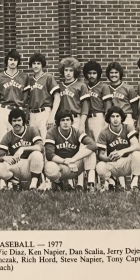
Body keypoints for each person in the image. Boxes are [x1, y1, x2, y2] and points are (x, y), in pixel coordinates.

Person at [0, 50, 30, 190]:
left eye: (15, 60)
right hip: (3, 109)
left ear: (18, 62)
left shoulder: (24, 77)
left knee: (17, 142)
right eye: (10, 60)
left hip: (18, 110)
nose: (12, 62)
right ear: (6, 61)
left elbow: (26, 96)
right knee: (2, 142)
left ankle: (15, 177)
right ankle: (3, 180)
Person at [58, 57, 91, 189]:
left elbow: (85, 105)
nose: (68, 73)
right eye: (66, 70)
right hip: (63, 120)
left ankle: (80, 182)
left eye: (71, 70)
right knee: (66, 148)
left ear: (75, 71)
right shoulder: (59, 86)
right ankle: (69, 181)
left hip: (76, 119)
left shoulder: (81, 85)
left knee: (79, 149)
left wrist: (82, 122)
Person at [44, 110, 97, 192]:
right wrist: (65, 161)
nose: (65, 123)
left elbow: (93, 145)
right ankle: (58, 183)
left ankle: (90, 185)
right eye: (63, 120)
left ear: (72, 122)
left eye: (68, 120)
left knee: (91, 153)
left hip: (75, 165)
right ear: (58, 122)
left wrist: (73, 159)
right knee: (49, 167)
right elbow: (49, 154)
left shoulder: (76, 132)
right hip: (60, 165)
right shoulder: (52, 132)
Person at [0, 108, 45, 191]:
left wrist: (23, 148)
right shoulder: (8, 135)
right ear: (11, 122)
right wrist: (5, 157)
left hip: (30, 166)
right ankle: (15, 182)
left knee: (37, 154)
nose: (17, 123)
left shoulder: (32, 130)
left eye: (19, 120)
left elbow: (41, 147)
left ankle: (33, 186)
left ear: (23, 121)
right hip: (16, 165)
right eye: (14, 121)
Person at [96, 106, 140, 192]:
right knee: (100, 166)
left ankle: (134, 184)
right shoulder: (104, 132)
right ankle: (112, 180)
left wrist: (122, 152)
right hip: (113, 163)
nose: (115, 119)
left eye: (118, 116)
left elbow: (137, 146)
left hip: (126, 162)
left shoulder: (128, 127)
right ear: (109, 119)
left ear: (121, 118)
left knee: (137, 154)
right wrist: (108, 158)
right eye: (113, 116)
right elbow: (100, 155)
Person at [27, 52, 61, 141]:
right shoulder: (30, 80)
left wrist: (52, 116)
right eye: (34, 63)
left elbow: (57, 97)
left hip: (44, 112)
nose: (36, 66)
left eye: (38, 63)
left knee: (46, 141)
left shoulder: (48, 77)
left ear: (42, 65)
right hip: (32, 114)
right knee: (34, 141)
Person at [83, 60, 112, 141]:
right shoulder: (84, 87)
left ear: (98, 74)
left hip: (98, 118)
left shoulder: (103, 86)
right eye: (89, 73)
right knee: (88, 144)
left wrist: (107, 121)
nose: (91, 76)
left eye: (94, 73)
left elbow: (108, 105)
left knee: (99, 143)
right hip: (86, 118)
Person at [105, 61, 139, 126]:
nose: (113, 75)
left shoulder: (128, 88)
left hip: (126, 117)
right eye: (111, 73)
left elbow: (134, 107)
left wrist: (134, 120)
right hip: (112, 118)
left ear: (120, 73)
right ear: (108, 74)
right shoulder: (106, 89)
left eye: (116, 72)